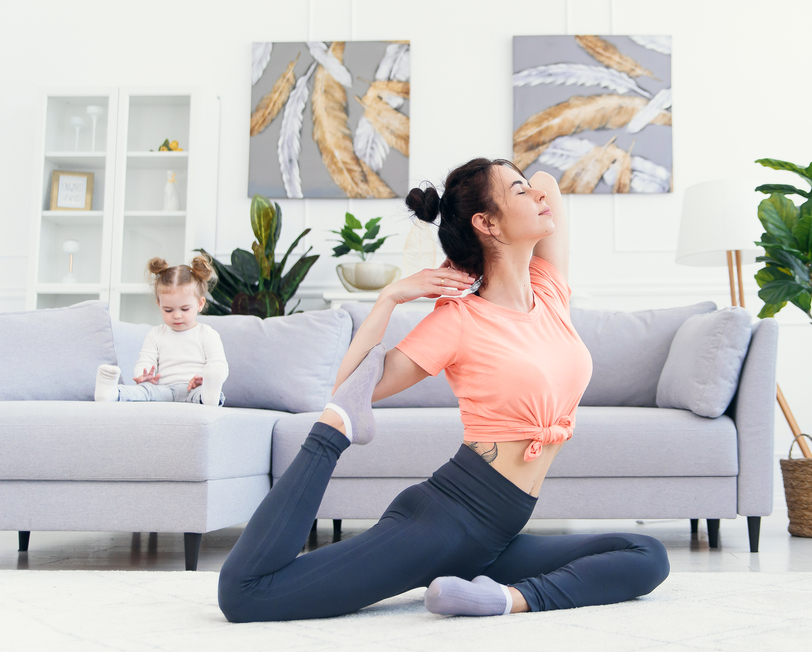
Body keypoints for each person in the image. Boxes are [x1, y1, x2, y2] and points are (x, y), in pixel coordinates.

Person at [217, 158, 668, 623]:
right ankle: (331, 436)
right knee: (247, 594)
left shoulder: (549, 290)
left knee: (647, 553)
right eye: (519, 191)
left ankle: (501, 599)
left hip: (496, 536)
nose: (538, 197)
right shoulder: (458, 320)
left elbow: (548, 183)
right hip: (442, 526)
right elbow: (351, 388)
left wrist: (502, 195)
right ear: (486, 222)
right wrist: (390, 297)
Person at [94, 256, 228, 406]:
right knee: (145, 391)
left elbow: (219, 366)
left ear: (200, 303)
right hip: (163, 390)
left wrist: (205, 379)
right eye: (168, 309)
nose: (177, 315)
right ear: (159, 304)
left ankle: (209, 396)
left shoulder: (207, 334)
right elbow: (145, 360)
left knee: (205, 393)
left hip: (195, 389)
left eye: (184, 309)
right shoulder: (156, 334)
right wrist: (144, 376)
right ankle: (111, 393)